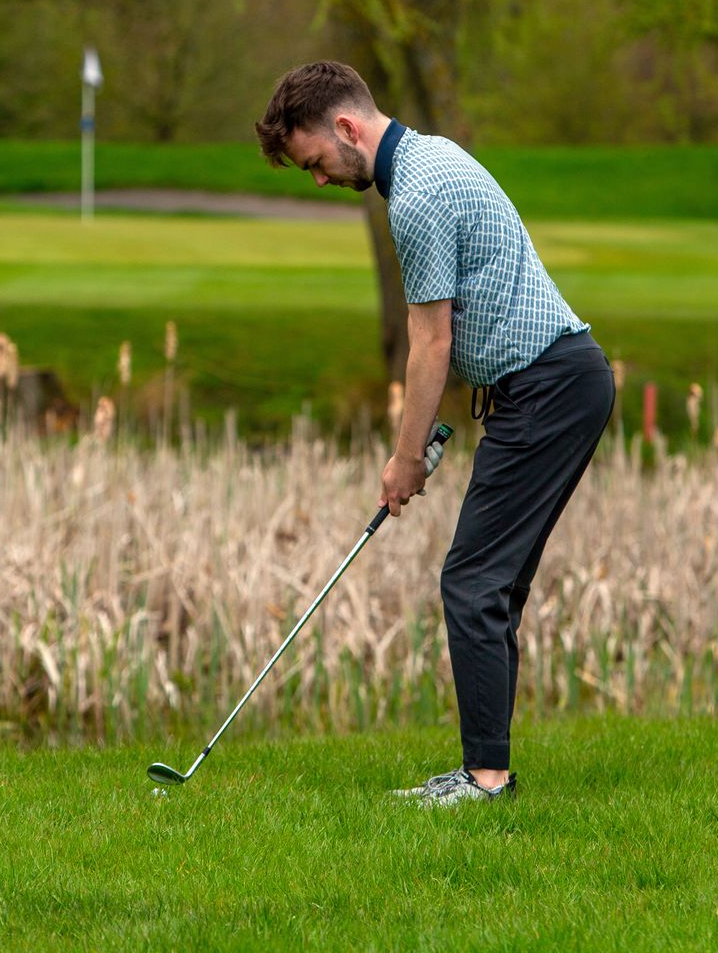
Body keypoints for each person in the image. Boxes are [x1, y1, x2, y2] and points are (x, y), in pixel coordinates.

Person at [255, 60, 615, 807]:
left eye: (315, 161)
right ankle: (487, 770)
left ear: (346, 128)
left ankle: (485, 780)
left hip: (549, 388)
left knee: (472, 581)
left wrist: (405, 459)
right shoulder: (430, 157)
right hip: (554, 385)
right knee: (492, 584)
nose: (318, 180)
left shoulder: (416, 194)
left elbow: (430, 342)